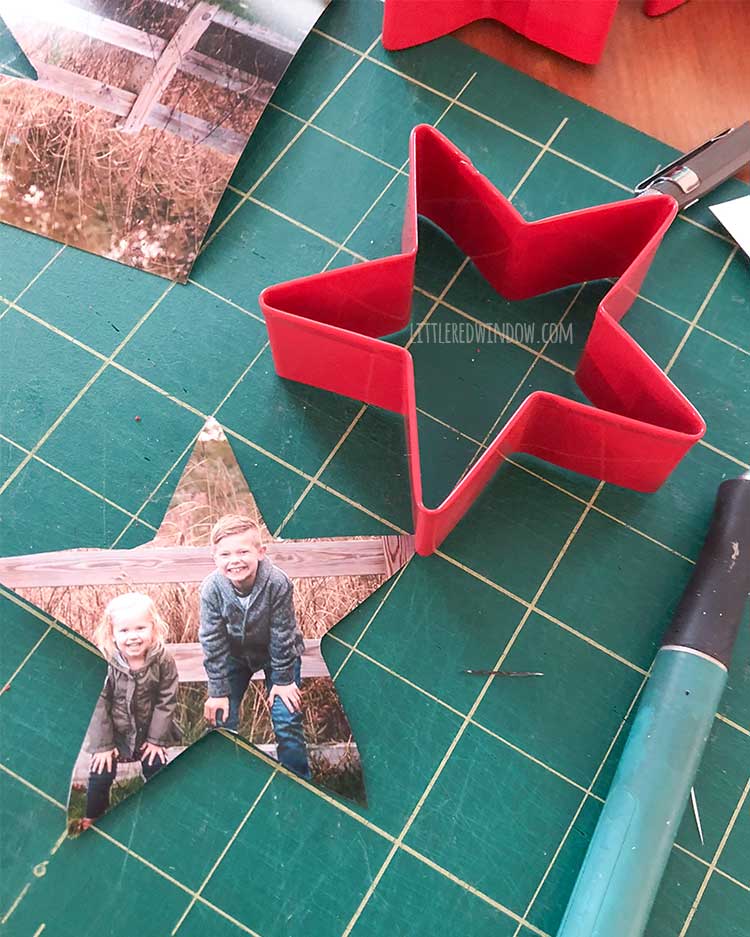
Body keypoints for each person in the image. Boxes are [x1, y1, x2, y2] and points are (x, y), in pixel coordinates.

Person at [199, 515, 310, 779]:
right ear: (214, 557)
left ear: (261, 552)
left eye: (243, 552)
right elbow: (212, 640)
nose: (234, 560)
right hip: (235, 657)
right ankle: (228, 784)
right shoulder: (211, 589)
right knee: (221, 719)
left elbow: (282, 632)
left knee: (286, 718)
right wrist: (218, 691)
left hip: (279, 656)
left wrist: (283, 680)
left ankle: (298, 784)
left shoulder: (277, 582)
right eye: (225, 554)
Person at [82, 592, 180, 826]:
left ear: (153, 629)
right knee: (101, 772)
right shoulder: (105, 661)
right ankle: (92, 819)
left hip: (149, 732)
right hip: (113, 733)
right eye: (124, 630)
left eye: (140, 628)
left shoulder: (163, 660)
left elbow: (166, 699)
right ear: (112, 633)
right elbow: (98, 704)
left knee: (156, 768)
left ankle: (161, 817)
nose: (133, 636)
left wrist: (156, 740)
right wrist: (104, 746)